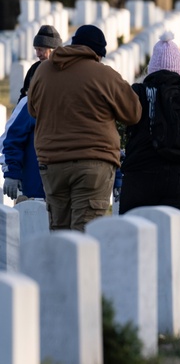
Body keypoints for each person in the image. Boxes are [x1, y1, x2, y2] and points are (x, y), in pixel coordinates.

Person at [28, 24, 142, 230]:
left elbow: (33, 109)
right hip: (93, 163)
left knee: (61, 235)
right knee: (86, 235)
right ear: (97, 53)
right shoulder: (105, 75)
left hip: (52, 162)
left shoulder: (43, 71)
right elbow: (133, 113)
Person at [118, 32, 180, 214]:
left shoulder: (138, 93)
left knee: (132, 234)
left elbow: (119, 128)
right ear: (179, 70)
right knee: (174, 236)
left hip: (143, 173)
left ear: (152, 68)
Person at [1, 25, 63, 203]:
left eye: (41, 49)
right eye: (36, 49)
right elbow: (17, 122)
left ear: (52, 49)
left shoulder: (65, 73)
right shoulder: (35, 70)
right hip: (33, 162)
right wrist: (13, 171)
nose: (38, 53)